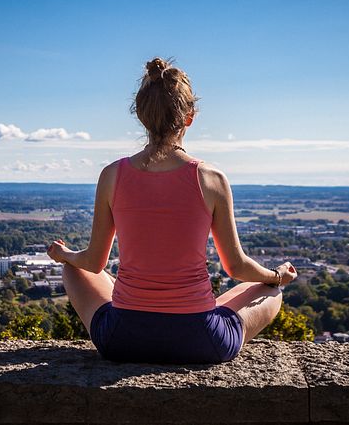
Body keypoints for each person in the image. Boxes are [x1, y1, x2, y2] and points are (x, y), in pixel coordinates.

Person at [47, 57, 297, 364]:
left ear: (141, 116)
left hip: (123, 339)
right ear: (189, 117)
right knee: (270, 291)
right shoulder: (211, 179)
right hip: (199, 341)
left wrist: (64, 256)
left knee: (74, 267)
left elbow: (93, 262)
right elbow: (236, 267)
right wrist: (277, 275)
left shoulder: (112, 175)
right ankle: (195, 311)